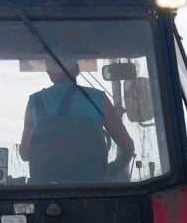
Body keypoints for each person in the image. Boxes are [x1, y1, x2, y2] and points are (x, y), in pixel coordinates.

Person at [19, 56, 135, 184]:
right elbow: (127, 147)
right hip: (94, 191)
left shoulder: (35, 102)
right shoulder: (98, 99)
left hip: (47, 194)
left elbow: (24, 154)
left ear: (50, 75)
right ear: (77, 70)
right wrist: (112, 169)